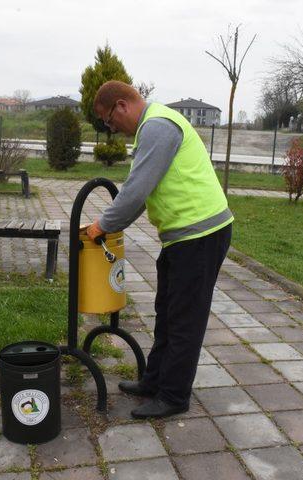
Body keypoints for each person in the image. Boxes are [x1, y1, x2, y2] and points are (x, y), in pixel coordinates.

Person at [86, 81, 233, 419]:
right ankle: (154, 381)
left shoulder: (157, 127)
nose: (112, 130)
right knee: (166, 311)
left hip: (201, 234)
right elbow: (141, 193)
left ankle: (174, 396)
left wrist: (102, 226)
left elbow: (135, 192)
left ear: (121, 106)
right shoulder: (156, 125)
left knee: (184, 319)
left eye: (109, 121)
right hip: (184, 236)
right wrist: (112, 221)